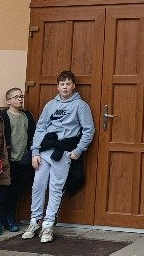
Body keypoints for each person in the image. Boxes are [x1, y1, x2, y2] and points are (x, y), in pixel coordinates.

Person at [21, 70, 95, 243]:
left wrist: (78, 151)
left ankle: (48, 225)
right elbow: (40, 128)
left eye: (68, 84)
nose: (65, 87)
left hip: (63, 153)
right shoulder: (50, 105)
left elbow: (88, 130)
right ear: (58, 86)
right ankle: (35, 221)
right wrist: (35, 152)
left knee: (56, 188)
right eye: (62, 84)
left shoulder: (80, 106)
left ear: (73, 86)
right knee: (38, 185)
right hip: (45, 151)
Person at [0, 87, 37, 236]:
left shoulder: (27, 116)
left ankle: (10, 218)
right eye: (15, 97)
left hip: (22, 162)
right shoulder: (2, 119)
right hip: (6, 163)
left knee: (14, 193)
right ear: (8, 101)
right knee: (2, 193)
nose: (19, 99)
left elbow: (33, 137)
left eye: (21, 96)